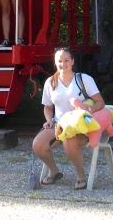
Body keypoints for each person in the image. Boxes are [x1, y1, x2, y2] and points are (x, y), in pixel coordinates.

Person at [32, 46, 105, 190]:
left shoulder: (84, 79)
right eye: (59, 61)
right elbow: (47, 107)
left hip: (81, 125)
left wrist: (88, 109)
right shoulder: (50, 82)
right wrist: (48, 120)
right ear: (55, 62)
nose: (63, 64)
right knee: (37, 145)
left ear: (72, 61)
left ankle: (81, 175)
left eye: (66, 60)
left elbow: (100, 102)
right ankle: (54, 171)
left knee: (69, 141)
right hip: (59, 124)